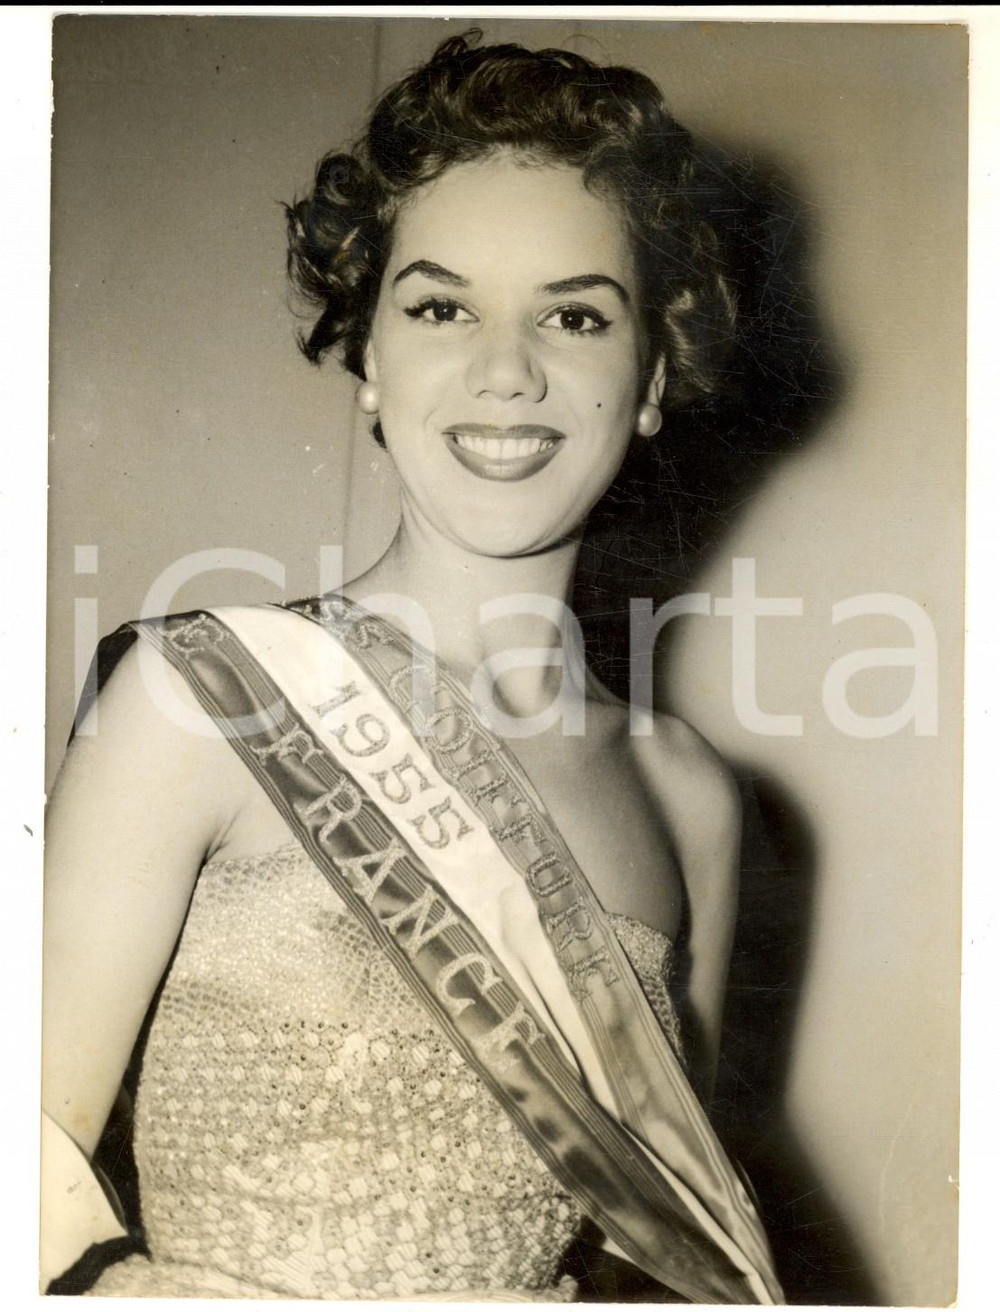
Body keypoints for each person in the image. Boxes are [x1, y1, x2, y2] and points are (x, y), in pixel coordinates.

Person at [41, 32, 785, 1303]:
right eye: (441, 307)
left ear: (652, 375)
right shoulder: (200, 702)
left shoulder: (694, 801)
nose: (506, 368)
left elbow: (659, 1263)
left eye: (574, 313)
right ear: (371, 357)